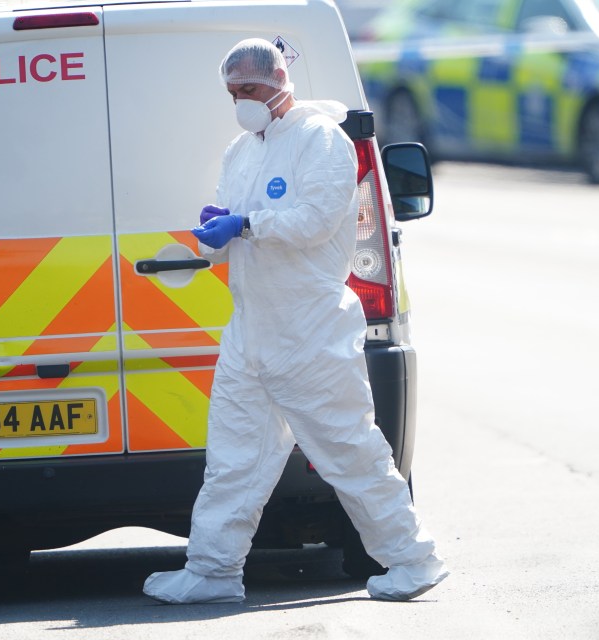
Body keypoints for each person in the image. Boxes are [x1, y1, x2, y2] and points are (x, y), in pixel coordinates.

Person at [143, 38, 449, 604]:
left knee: (349, 450)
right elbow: (232, 233)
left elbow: (314, 221)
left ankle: (414, 559)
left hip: (309, 331)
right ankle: (212, 571)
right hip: (252, 331)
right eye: (233, 92)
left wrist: (247, 224)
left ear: (281, 81)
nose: (241, 100)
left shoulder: (321, 141)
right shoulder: (241, 151)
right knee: (233, 459)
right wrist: (216, 234)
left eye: (250, 89)